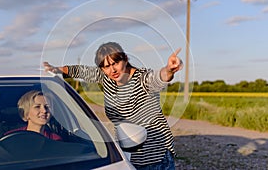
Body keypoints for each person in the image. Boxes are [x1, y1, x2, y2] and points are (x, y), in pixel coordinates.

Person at [43, 42, 183, 169]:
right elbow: (83, 71)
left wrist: (170, 69)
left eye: (116, 63)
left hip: (155, 157)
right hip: (128, 155)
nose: (112, 70)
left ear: (125, 59)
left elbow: (159, 77)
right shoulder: (107, 78)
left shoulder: (143, 79)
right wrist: (57, 69)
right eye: (107, 66)